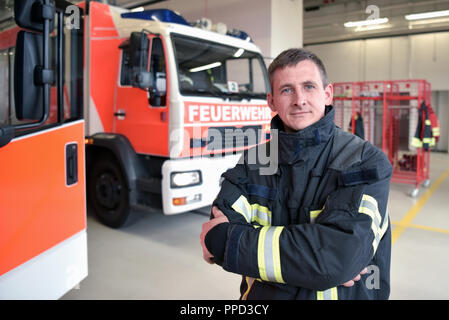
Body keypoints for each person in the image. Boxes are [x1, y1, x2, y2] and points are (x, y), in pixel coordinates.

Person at [200, 48, 392, 300]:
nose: (299, 99)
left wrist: (234, 246)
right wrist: (321, 268)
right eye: (287, 89)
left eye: (309, 86)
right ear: (272, 101)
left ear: (327, 94)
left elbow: (337, 259)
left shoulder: (364, 160)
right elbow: (215, 232)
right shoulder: (254, 160)